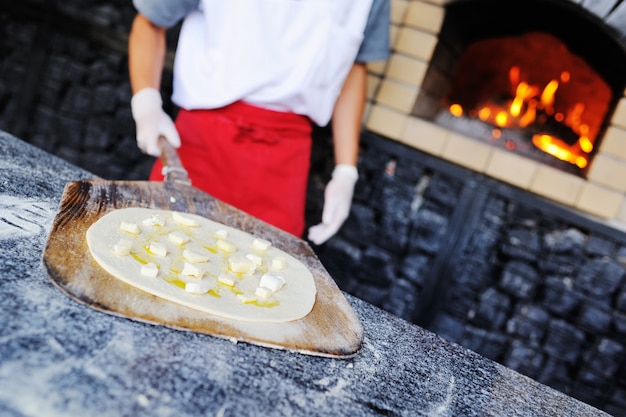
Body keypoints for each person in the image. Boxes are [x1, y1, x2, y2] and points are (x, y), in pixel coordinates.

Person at [128, 0, 390, 244]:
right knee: (161, 249)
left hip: (287, 159)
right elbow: (151, 20)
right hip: (201, 140)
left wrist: (346, 171)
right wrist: (146, 101)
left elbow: (354, 67)